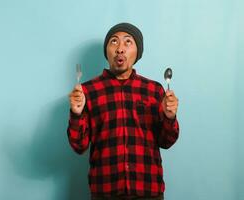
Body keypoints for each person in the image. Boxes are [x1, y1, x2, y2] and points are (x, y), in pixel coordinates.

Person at [67, 22, 179, 200]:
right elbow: (79, 146)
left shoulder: (154, 90)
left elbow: (166, 141)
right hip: (105, 190)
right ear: (107, 52)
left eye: (128, 42)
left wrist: (169, 117)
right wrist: (76, 114)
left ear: (137, 52)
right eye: (114, 42)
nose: (120, 48)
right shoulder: (87, 91)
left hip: (148, 190)